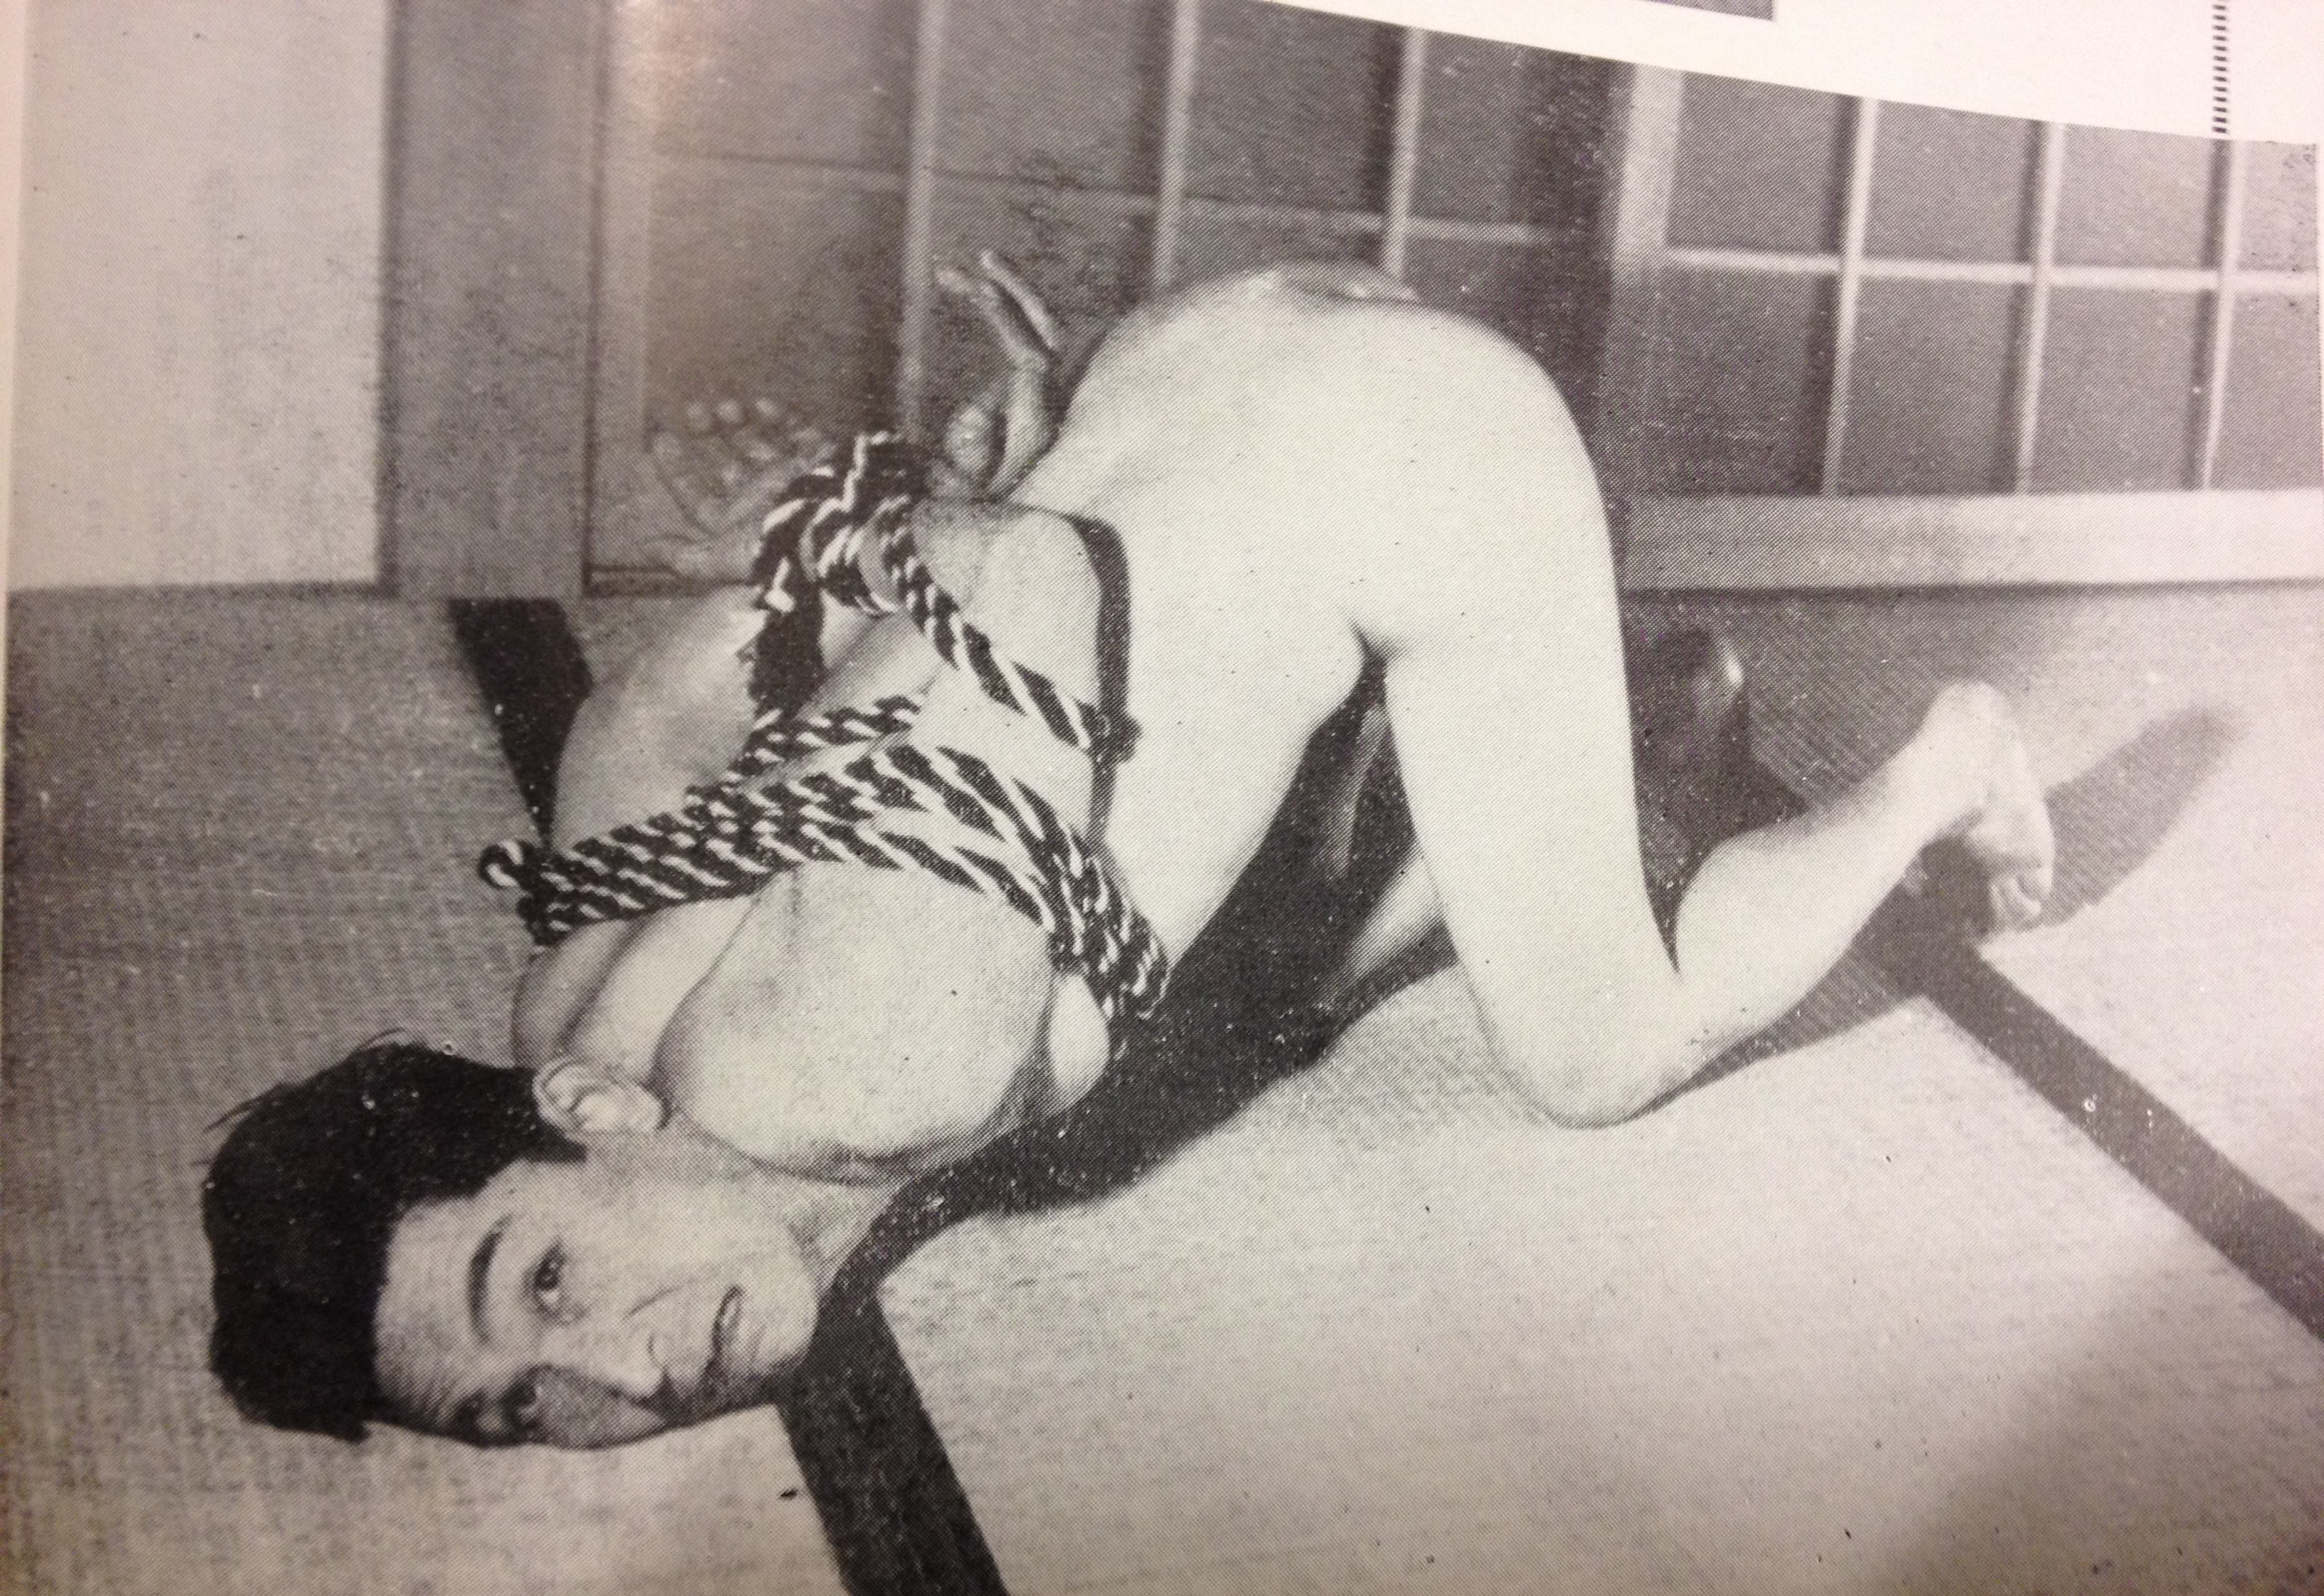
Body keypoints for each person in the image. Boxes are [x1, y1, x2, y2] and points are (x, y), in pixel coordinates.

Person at [204, 261, 2053, 1449]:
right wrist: (867, 549)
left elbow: (1021, 578)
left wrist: (907, 529)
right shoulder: (571, 1021)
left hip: (1404, 450)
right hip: (1200, 358)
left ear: (582, 1128)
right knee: (1251, 1010)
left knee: (1595, 1051)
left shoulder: (848, 1071)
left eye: (545, 1284)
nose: (621, 1366)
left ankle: (1943, 766)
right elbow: (644, 720)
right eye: (521, 1409)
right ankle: (1641, 712)